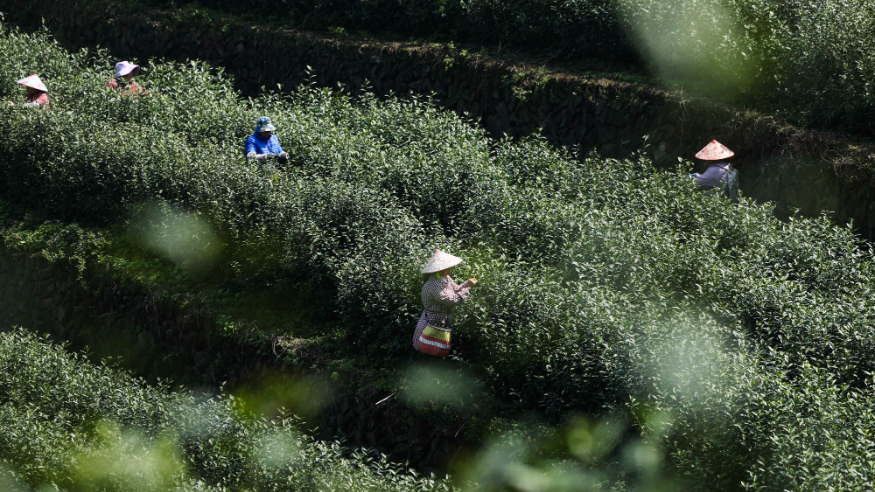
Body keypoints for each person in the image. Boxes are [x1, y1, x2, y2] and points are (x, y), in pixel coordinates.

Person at [413, 250, 478, 357]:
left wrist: (467, 284)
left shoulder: (445, 278)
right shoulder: (433, 284)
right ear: (440, 269)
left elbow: (456, 290)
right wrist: (468, 288)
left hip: (442, 322)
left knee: (438, 351)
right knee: (430, 351)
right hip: (432, 324)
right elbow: (453, 300)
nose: (450, 268)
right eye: (448, 267)